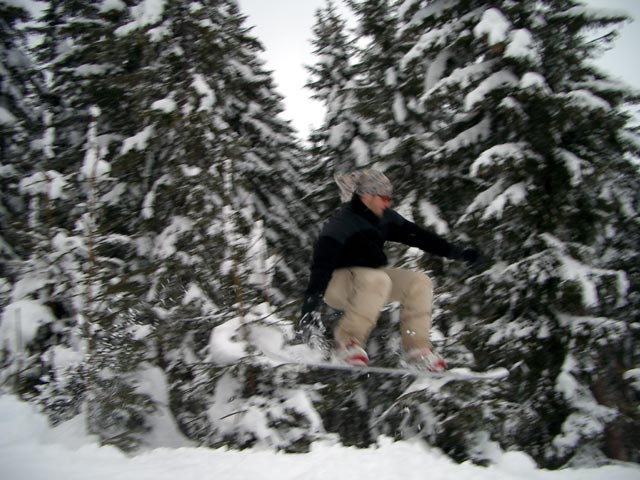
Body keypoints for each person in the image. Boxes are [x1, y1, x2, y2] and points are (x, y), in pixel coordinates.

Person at [298, 169, 479, 372]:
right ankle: (347, 343)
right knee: (378, 278)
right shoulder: (342, 223)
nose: (387, 203)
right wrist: (310, 308)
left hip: (369, 284)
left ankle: (417, 350)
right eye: (383, 198)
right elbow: (321, 265)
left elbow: (420, 237)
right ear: (367, 196)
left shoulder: (385, 218)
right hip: (336, 283)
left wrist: (458, 253)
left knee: (419, 282)